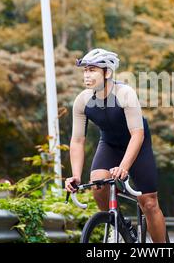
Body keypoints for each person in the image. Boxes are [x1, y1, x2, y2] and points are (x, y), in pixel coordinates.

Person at [64, 48, 167, 242]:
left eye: (92, 70)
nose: (87, 75)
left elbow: (137, 134)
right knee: (98, 183)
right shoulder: (82, 101)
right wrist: (76, 176)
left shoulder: (125, 93)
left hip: (137, 144)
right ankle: (118, 226)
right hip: (110, 144)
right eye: (85, 70)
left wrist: (124, 167)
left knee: (149, 202)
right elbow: (77, 140)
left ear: (107, 72)